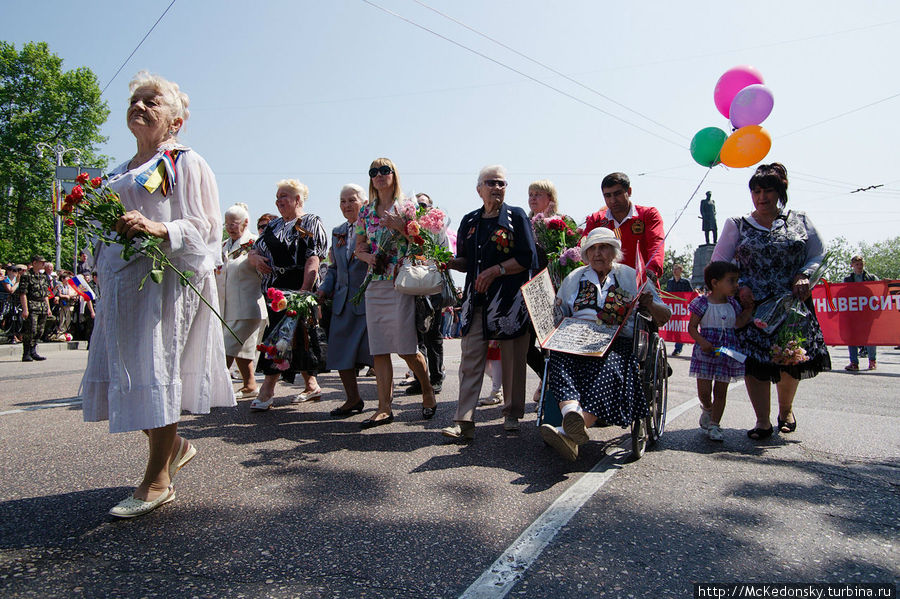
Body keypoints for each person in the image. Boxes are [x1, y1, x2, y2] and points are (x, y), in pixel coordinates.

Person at [81, 71, 234, 518]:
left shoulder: (184, 162)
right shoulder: (116, 172)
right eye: (136, 100)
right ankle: (178, 446)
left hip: (163, 284)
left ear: (175, 122)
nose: (141, 106)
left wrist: (161, 227)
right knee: (125, 375)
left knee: (155, 369)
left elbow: (207, 227)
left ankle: (157, 480)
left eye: (153, 101)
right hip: (120, 287)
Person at [711, 163, 831, 439]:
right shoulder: (737, 224)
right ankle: (762, 421)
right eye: (756, 191)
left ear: (780, 192)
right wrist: (738, 286)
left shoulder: (800, 220)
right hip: (753, 304)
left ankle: (786, 410)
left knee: (790, 357)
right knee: (756, 363)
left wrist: (804, 275)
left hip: (792, 304)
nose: (762, 197)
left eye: (767, 191)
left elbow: (819, 253)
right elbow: (719, 261)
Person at [539, 228, 671, 461]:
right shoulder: (574, 278)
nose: (598, 253)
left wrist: (649, 303)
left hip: (615, 341)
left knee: (611, 366)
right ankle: (571, 413)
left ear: (615, 251)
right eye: (593, 249)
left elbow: (664, 315)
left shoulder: (631, 276)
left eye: (603, 247)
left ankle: (570, 430)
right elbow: (558, 312)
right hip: (575, 340)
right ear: (586, 253)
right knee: (557, 357)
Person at [441, 165, 538, 441]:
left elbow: (526, 258)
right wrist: (446, 262)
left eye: (501, 183)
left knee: (511, 360)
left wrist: (496, 270)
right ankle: (464, 420)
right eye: (490, 182)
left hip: (509, 302)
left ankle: (511, 414)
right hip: (476, 301)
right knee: (470, 359)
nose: (496, 187)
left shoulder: (516, 216)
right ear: (478, 189)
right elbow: (465, 261)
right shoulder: (470, 221)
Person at [354, 158, 437, 428]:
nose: (379, 176)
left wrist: (400, 225)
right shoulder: (365, 212)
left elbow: (422, 242)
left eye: (384, 171)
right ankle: (383, 407)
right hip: (374, 284)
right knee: (379, 349)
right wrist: (369, 260)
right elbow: (359, 247)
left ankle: (427, 389)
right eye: (373, 172)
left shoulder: (408, 207)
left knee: (405, 348)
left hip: (400, 282)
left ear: (394, 175)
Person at [248, 179, 328, 410]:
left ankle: (267, 390)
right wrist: (255, 259)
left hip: (299, 284)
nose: (279, 201)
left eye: (284, 196)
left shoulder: (311, 221)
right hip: (276, 288)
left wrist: (304, 291)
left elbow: (313, 258)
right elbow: (254, 250)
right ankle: (311, 385)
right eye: (277, 197)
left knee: (293, 336)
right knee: (285, 336)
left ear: (298, 199)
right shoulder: (273, 226)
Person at [318, 184, 374, 417]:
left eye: (352, 200)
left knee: (375, 354)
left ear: (364, 203)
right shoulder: (338, 231)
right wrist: (323, 289)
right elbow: (333, 268)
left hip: (367, 298)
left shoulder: (372, 227)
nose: (347, 205)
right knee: (340, 353)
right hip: (342, 301)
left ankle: (385, 405)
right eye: (343, 201)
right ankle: (352, 399)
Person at [687, 261, 753, 442]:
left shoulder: (733, 304)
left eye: (736, 281)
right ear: (715, 283)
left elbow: (738, 324)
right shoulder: (702, 303)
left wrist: (748, 310)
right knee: (704, 391)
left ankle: (715, 424)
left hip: (727, 354)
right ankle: (707, 409)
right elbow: (692, 327)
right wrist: (702, 342)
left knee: (721, 391)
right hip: (705, 353)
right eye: (731, 281)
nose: (736, 285)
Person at [215, 202, 267, 399]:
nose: (229, 227)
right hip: (228, 307)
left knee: (227, 347)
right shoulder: (223, 247)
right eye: (226, 223)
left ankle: (214, 389)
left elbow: (265, 274)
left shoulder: (256, 243)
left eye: (234, 223)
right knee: (242, 349)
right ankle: (250, 384)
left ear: (245, 223)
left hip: (249, 306)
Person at [405, 192, 448, 396]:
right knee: (416, 338)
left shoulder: (439, 230)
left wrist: (427, 261)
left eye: (424, 205)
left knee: (433, 336)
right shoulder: (408, 230)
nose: (420, 208)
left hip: (432, 287)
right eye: (416, 205)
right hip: (412, 287)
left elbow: (444, 258)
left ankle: (437, 377)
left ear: (431, 207)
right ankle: (420, 379)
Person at [584, 172, 665, 279]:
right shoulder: (596, 220)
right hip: (605, 289)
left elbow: (656, 246)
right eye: (607, 196)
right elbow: (583, 251)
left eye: (617, 194)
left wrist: (651, 271)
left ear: (629, 191)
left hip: (642, 286)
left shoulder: (648, 215)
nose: (613, 200)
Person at [843, 255, 878, 371]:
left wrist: (886, 283)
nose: (859, 266)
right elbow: (842, 294)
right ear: (852, 265)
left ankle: (872, 361)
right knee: (851, 337)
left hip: (867, 313)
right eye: (857, 264)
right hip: (853, 313)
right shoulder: (847, 279)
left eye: (861, 264)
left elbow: (879, 290)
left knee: (870, 338)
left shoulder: (871, 278)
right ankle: (854, 363)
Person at [17, 255, 51, 361]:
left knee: (40, 331)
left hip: (42, 306)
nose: (43, 264)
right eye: (41, 262)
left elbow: (45, 294)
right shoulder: (26, 275)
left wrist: (48, 308)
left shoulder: (43, 277)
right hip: (32, 305)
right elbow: (23, 293)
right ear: (34, 263)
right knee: (30, 330)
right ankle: (26, 353)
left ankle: (33, 351)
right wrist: (25, 309)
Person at [666, 263, 693, 355]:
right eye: (673, 269)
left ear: (681, 271)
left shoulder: (686, 282)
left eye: (676, 269)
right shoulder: (670, 282)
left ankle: (678, 348)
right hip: (672, 309)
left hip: (681, 309)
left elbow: (691, 295)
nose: (674, 271)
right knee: (672, 327)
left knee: (679, 328)